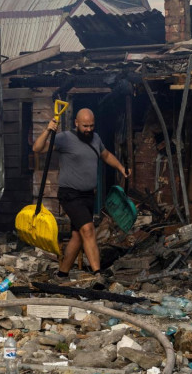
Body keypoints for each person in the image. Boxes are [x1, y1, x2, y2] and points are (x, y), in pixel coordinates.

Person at [32, 107, 129, 283]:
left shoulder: (96, 138)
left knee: (78, 236)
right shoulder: (65, 138)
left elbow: (105, 155)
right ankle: (97, 274)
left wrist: (121, 168)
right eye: (85, 126)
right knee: (88, 229)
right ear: (76, 123)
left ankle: (62, 274)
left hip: (87, 195)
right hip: (70, 194)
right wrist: (48, 130)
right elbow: (37, 148)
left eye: (91, 125)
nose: (88, 129)